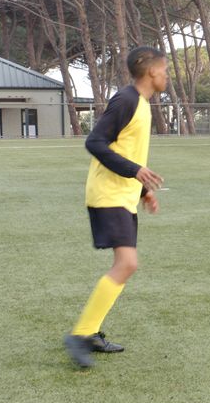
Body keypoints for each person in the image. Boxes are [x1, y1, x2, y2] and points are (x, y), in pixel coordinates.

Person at [64, 46, 167, 368]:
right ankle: (80, 334)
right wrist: (134, 172)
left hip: (122, 195)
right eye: (164, 70)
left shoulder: (143, 104)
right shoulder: (126, 100)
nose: (167, 76)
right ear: (151, 71)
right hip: (107, 194)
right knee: (127, 263)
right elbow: (94, 141)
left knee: (126, 265)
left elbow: (128, 152)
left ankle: (90, 331)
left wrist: (140, 190)